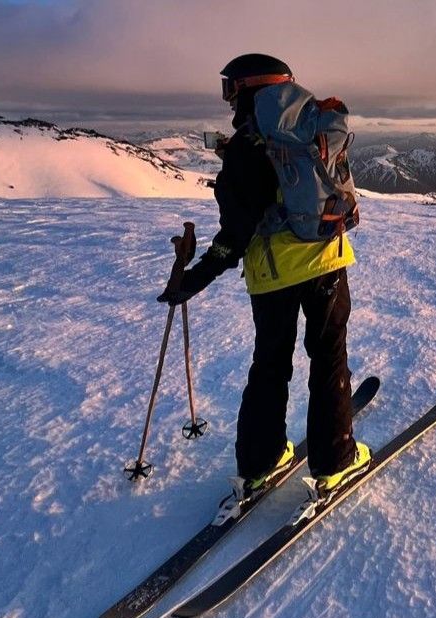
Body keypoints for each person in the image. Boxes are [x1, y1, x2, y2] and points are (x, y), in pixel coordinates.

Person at [157, 53, 368, 505]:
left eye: (229, 88)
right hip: (328, 261)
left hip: (272, 278)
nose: (228, 98)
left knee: (270, 365)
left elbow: (235, 233)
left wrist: (196, 277)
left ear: (247, 88)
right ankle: (336, 460)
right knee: (328, 359)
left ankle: (261, 461)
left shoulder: (244, 150)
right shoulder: (307, 130)